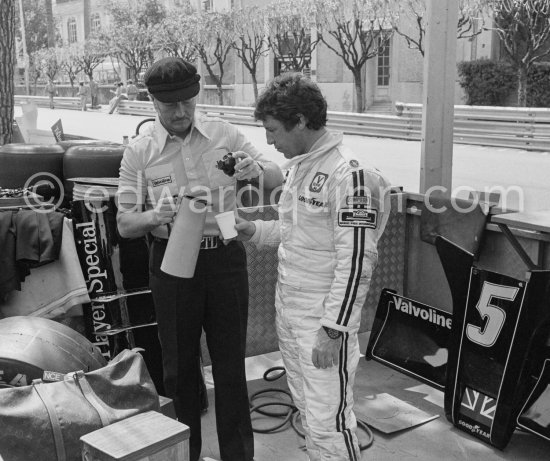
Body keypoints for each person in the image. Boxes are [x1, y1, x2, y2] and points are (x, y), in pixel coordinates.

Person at [115, 56, 283, 461]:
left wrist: (254, 168)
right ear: (152, 102)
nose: (180, 112)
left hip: (224, 260)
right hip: (172, 266)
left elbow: (276, 177)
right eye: (170, 105)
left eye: (188, 103)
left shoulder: (224, 134)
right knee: (179, 369)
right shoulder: (140, 153)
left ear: (197, 95)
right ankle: (184, 455)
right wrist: (153, 216)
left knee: (230, 366)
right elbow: (124, 222)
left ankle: (238, 456)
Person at [234, 73, 391, 461]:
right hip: (291, 314)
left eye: (272, 130)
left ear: (301, 121)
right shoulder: (300, 168)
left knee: (329, 423)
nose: (269, 141)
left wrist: (334, 330)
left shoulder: (349, 178)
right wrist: (252, 230)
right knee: (308, 412)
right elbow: (295, 233)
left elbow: (358, 262)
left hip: (322, 322)